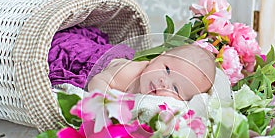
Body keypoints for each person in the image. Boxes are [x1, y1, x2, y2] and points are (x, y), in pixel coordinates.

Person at [87, 44, 216, 101]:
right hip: (90, 61)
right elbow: (98, 80)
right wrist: (106, 102)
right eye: (167, 70)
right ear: (157, 58)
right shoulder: (129, 73)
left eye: (175, 89)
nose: (164, 82)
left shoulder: (155, 104)